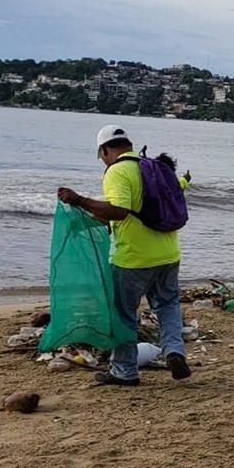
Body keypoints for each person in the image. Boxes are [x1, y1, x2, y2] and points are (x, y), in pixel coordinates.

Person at [57, 125, 191, 386]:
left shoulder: (117, 171)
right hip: (168, 254)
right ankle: (174, 350)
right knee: (168, 305)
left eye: (101, 155)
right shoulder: (153, 168)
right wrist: (186, 179)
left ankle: (124, 371)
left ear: (105, 150)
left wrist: (79, 200)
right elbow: (174, 190)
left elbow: (119, 211)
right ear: (128, 144)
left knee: (123, 314)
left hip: (133, 260)